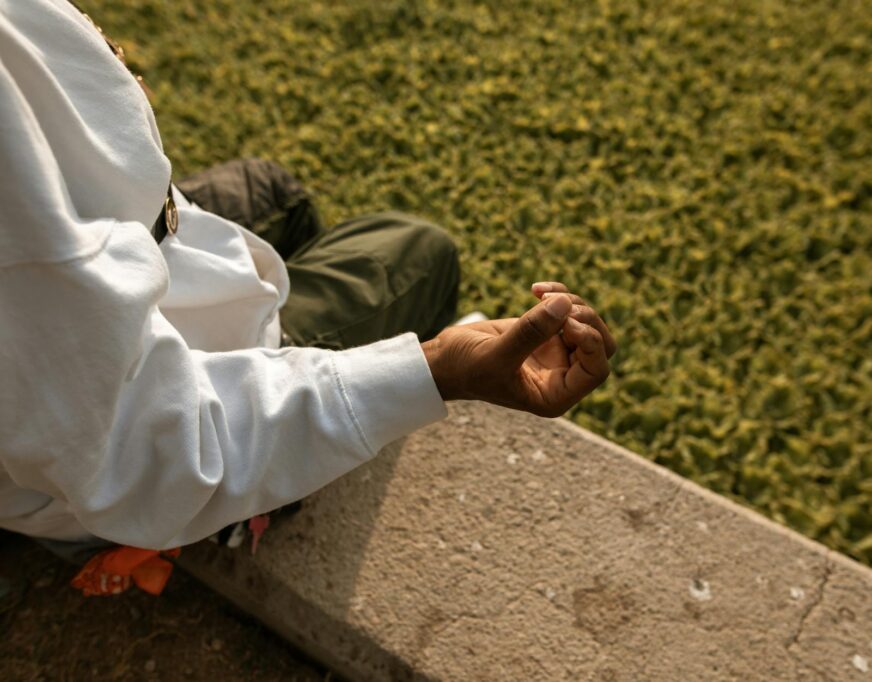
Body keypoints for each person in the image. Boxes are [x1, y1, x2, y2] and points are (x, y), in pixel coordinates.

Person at [0, 0, 615, 569]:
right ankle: (274, 478)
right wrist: (435, 369)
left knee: (273, 192)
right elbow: (148, 454)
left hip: (152, 259)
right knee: (419, 253)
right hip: (153, 427)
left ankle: (301, 349)